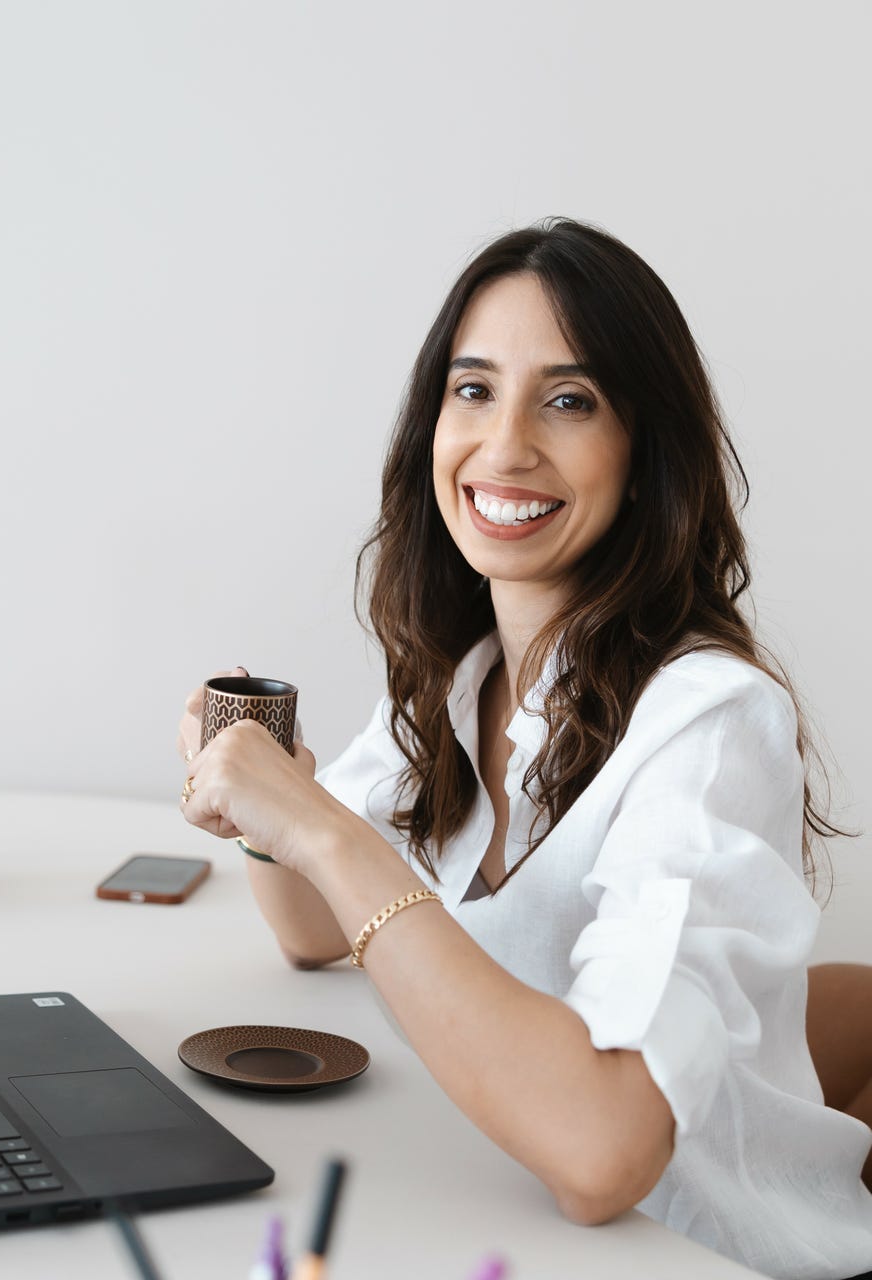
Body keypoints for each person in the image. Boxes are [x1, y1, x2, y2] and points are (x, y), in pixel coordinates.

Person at [175, 219, 872, 1280]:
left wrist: (314, 820)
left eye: (567, 398)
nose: (503, 446)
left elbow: (602, 1155)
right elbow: (318, 932)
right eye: (472, 389)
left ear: (644, 451)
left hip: (686, 1254)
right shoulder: (462, 680)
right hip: (483, 1210)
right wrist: (270, 816)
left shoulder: (709, 722)